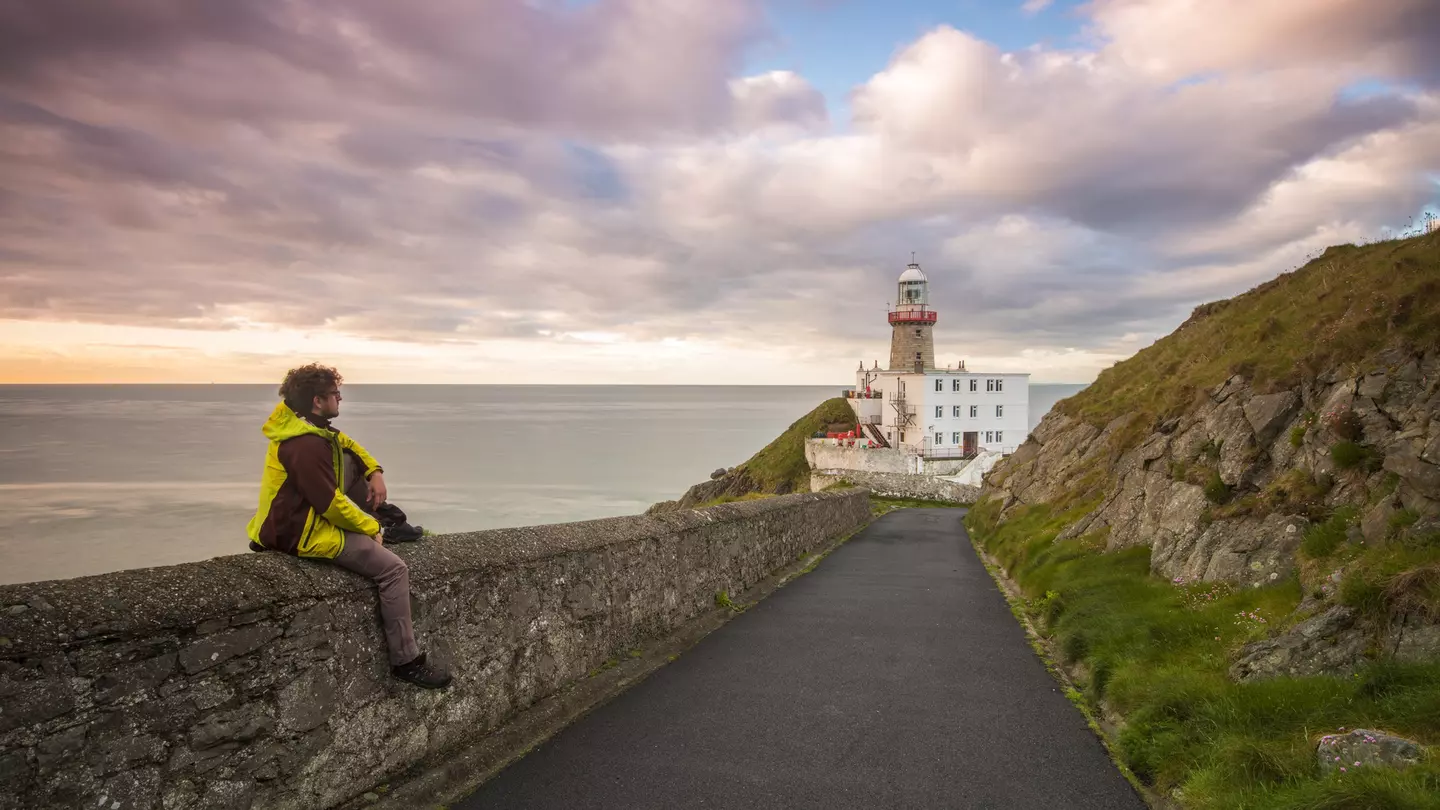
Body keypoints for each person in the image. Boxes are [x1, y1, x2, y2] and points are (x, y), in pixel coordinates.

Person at [246, 363, 452, 689]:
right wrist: (370, 527)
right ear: (318, 400)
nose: (340, 399)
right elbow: (330, 505)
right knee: (394, 570)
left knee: (350, 463)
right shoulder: (305, 445)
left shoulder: (308, 427)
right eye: (335, 395)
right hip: (302, 532)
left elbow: (350, 447)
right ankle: (406, 661)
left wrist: (375, 472)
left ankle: (385, 520)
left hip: (304, 518)